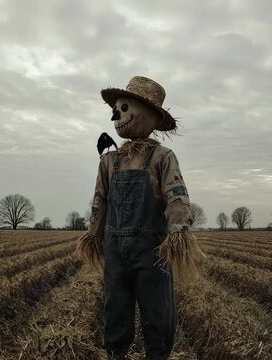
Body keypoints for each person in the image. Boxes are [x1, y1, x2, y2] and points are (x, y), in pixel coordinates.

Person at [77, 76, 204, 360]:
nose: (115, 115)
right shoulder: (109, 161)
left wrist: (178, 232)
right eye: (115, 109)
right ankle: (116, 354)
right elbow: (100, 202)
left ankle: (157, 355)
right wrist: (94, 235)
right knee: (115, 308)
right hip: (114, 251)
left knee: (157, 310)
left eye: (123, 108)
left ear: (149, 114)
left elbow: (177, 195)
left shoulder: (162, 157)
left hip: (152, 252)